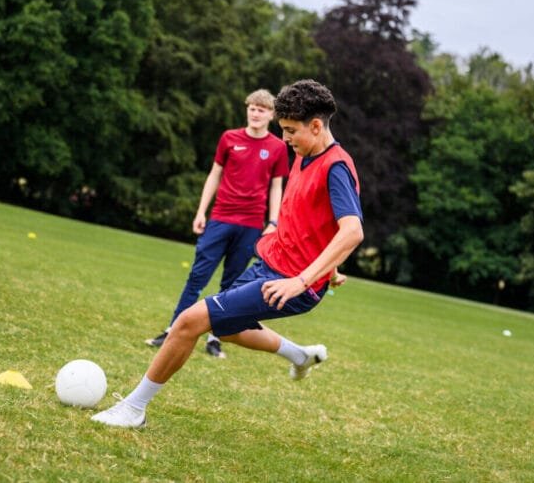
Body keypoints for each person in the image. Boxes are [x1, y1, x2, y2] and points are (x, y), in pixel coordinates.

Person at [92, 79, 364, 428]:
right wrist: (331, 266)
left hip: (290, 281)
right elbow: (318, 221)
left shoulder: (336, 166)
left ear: (316, 125)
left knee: (189, 321)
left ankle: (133, 409)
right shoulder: (303, 154)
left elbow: (352, 230)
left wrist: (303, 279)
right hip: (270, 264)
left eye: (290, 130)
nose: (285, 139)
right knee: (227, 329)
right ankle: (300, 356)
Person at [144, 89, 289, 359]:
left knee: (233, 285)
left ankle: (215, 338)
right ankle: (173, 329)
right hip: (220, 219)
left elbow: (277, 187)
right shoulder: (229, 138)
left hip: (251, 225)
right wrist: (201, 211)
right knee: (197, 277)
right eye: (252, 108)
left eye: (262, 109)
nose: (256, 113)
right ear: (247, 110)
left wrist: (273, 221)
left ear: (271, 114)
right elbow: (214, 175)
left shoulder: (278, 147)